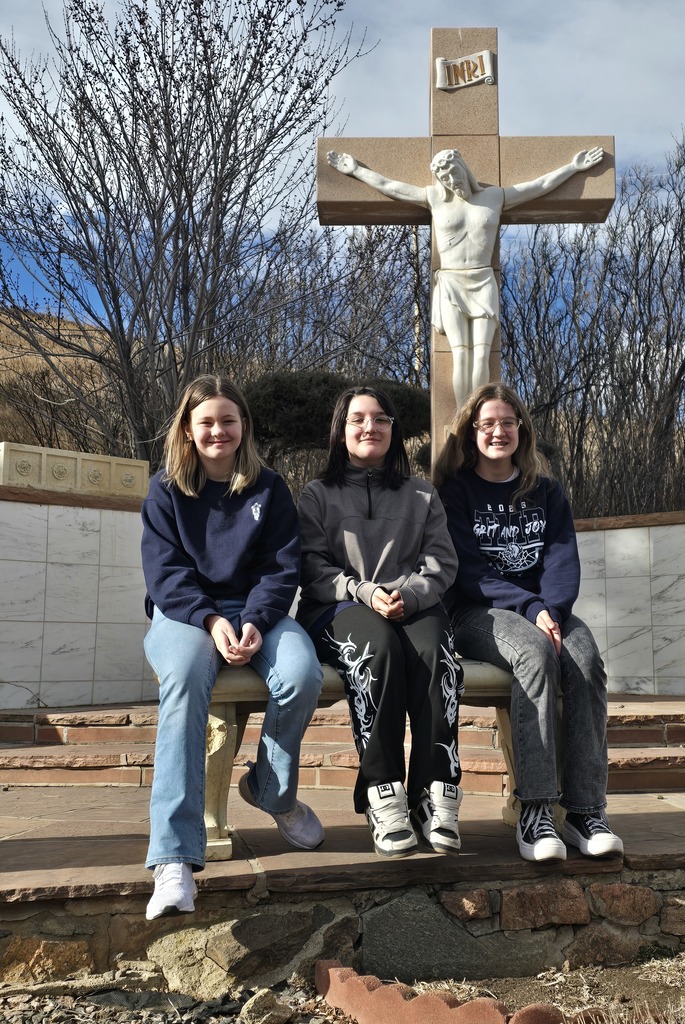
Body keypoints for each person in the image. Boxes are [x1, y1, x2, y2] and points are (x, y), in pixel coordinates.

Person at [141, 375, 324, 920]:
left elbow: (280, 567)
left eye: (228, 420)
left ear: (243, 426)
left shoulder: (269, 488)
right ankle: (173, 858)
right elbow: (164, 574)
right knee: (184, 683)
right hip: (185, 614)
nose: (218, 430)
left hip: (257, 613)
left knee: (302, 673)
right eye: (206, 422)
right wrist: (211, 619)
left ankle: (271, 792)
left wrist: (256, 620)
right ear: (188, 431)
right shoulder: (165, 489)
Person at [434, 382, 623, 862]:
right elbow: (468, 570)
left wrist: (551, 610)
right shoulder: (454, 492)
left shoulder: (546, 491)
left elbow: (562, 561)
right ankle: (535, 809)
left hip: (547, 610)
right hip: (476, 611)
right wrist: (532, 609)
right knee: (534, 655)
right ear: (471, 432)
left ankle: (584, 811)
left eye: (508, 422)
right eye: (488, 423)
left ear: (522, 428)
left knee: (586, 661)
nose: (499, 431)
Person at [296, 386, 464, 858]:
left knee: (440, 656)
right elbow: (310, 567)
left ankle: (436, 793)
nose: (370, 427)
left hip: (411, 606)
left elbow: (441, 561)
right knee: (376, 649)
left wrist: (407, 596)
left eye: (381, 419)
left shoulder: (421, 494)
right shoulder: (316, 495)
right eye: (357, 419)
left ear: (394, 430)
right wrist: (364, 591)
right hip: (336, 607)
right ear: (341, 429)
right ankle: (383, 792)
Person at [326, 146, 604, 406]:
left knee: (481, 354)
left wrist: (572, 168)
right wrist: (356, 171)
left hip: (483, 281)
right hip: (450, 282)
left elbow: (539, 186)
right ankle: (463, 418)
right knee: (460, 355)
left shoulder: (495, 197)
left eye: (452, 171)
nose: (449, 179)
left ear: (463, 168)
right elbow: (390, 187)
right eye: (442, 175)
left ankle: (478, 414)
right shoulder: (435, 197)